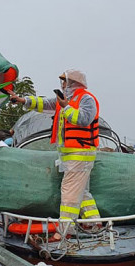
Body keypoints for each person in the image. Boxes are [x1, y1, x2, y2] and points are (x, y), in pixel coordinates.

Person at [11, 69, 102, 232]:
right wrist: (22, 100)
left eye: (64, 81)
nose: (62, 84)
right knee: (83, 192)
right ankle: (94, 221)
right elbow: (44, 103)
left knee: (69, 194)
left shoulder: (86, 99)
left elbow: (83, 119)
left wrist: (66, 107)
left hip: (80, 153)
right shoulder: (66, 99)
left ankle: (65, 232)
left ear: (74, 83)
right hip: (70, 155)